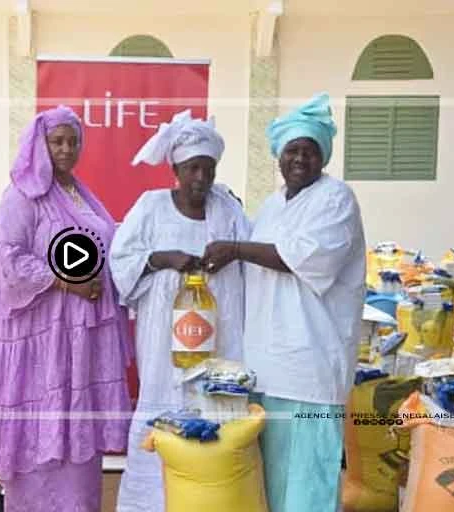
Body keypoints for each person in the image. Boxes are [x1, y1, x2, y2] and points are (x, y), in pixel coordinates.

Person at [200, 92, 366, 512]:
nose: (299, 159)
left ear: (323, 157)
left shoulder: (335, 199)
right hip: (267, 371)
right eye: (292, 150)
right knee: (271, 485)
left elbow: (302, 259)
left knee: (309, 484)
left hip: (311, 370)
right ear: (278, 155)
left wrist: (236, 247)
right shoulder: (271, 207)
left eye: (309, 151)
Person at [0, 105, 133, 512]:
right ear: (39, 144)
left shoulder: (80, 194)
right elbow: (5, 259)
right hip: (42, 346)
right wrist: (66, 281)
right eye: (57, 140)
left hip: (80, 345)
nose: (66, 149)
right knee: (41, 432)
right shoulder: (22, 195)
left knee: (77, 444)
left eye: (73, 141)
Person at [109, 109, 249, 512]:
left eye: (208, 169)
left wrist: (229, 254)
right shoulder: (151, 207)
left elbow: (250, 259)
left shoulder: (228, 210)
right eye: (192, 169)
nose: (201, 179)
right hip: (163, 346)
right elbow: (122, 260)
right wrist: (161, 259)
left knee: (217, 415)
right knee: (162, 413)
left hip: (220, 340)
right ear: (176, 168)